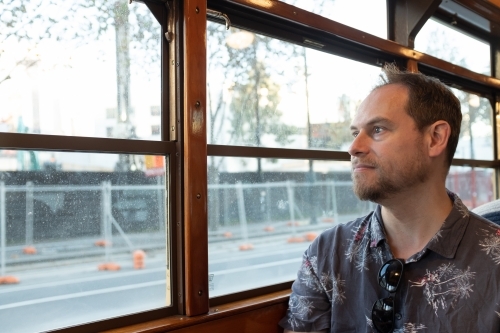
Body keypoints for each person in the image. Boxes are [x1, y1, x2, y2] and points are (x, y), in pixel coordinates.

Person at [279, 64, 500, 333]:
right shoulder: (327, 253)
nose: (354, 148)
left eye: (378, 130)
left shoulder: (495, 258)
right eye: (354, 133)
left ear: (435, 138)